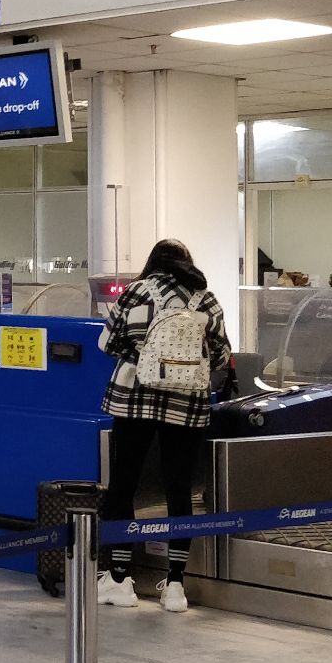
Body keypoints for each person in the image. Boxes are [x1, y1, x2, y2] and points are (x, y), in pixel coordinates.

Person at [96, 238, 231, 614]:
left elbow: (106, 343)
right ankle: (175, 586)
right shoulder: (205, 299)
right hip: (187, 401)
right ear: (187, 263)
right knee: (179, 489)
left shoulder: (136, 292)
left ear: (152, 262)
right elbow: (221, 354)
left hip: (134, 397)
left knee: (124, 483)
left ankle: (121, 579)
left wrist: (139, 354)